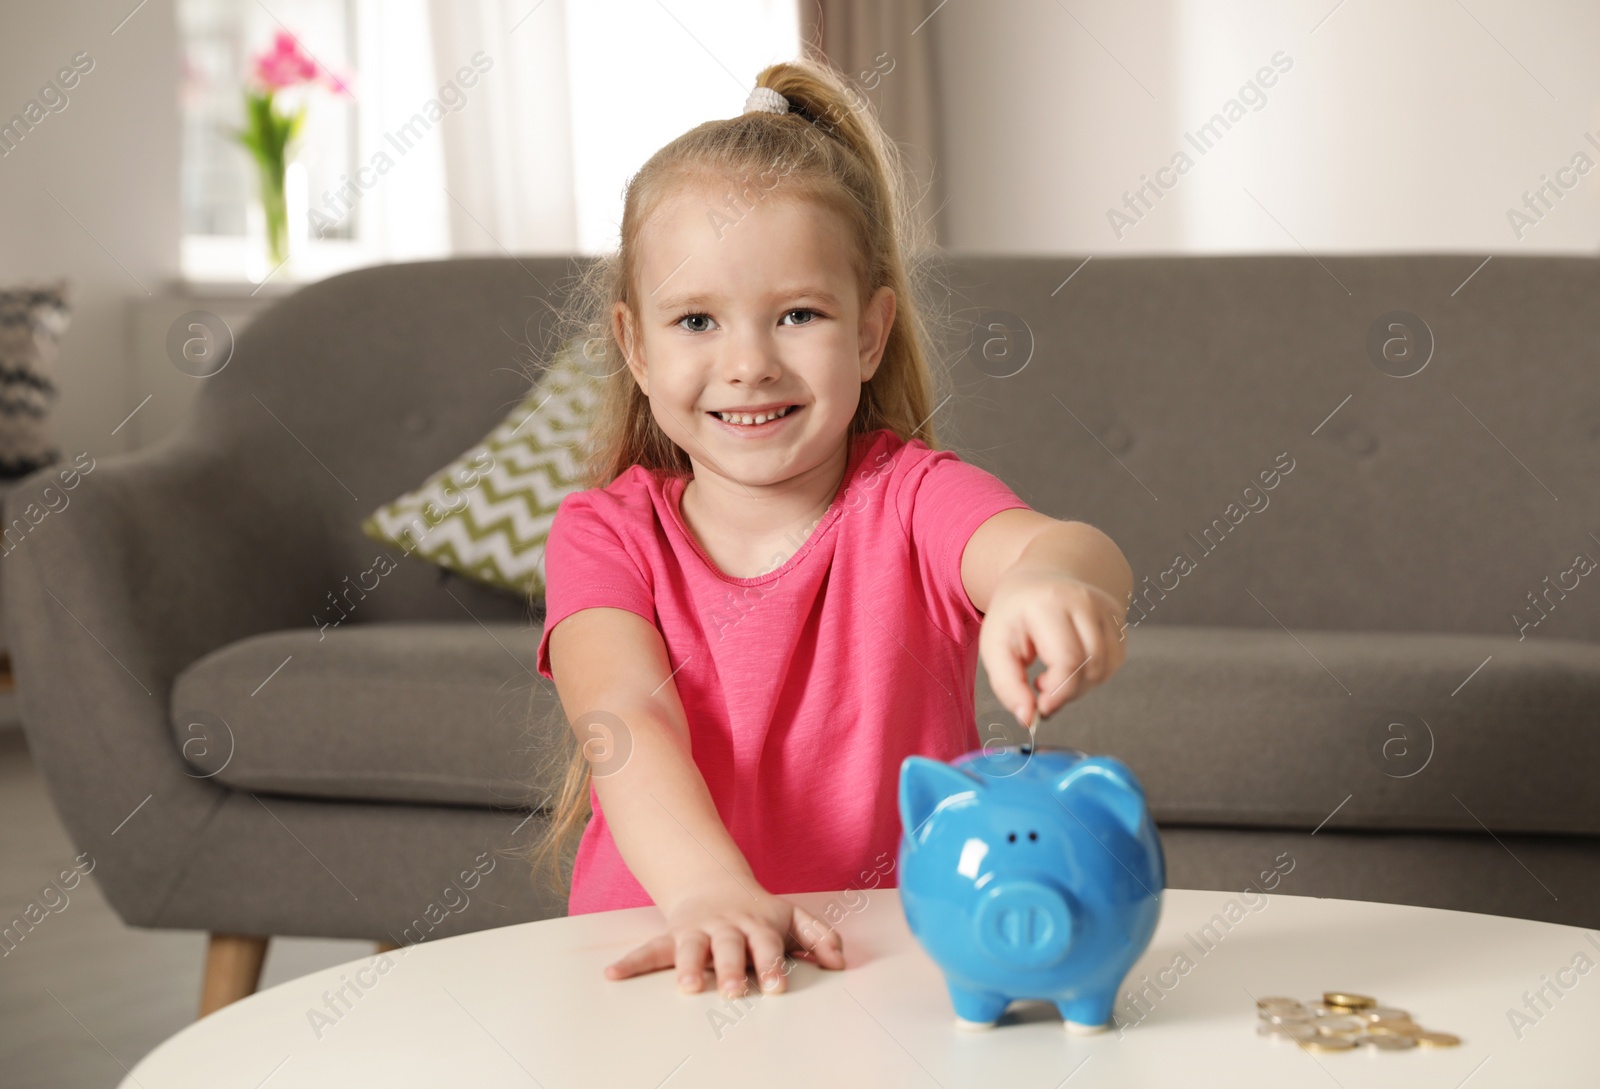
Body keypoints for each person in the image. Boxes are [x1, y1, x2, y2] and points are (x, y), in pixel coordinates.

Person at [529, 51, 1133, 1002]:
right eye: (696, 321)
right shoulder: (602, 535)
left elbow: (1054, 544)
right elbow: (623, 720)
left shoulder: (913, 497)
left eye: (797, 313)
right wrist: (709, 889)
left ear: (868, 330)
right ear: (634, 346)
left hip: (886, 971)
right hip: (668, 964)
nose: (748, 364)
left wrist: (1049, 585)